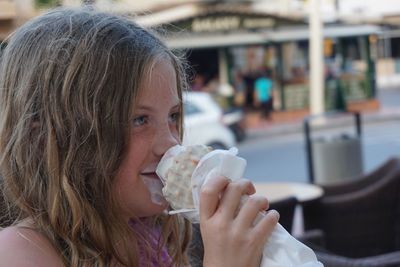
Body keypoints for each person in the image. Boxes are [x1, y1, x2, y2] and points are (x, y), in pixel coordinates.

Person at [0, 7, 279, 267]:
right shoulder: (19, 250)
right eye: (139, 120)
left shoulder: (153, 234)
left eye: (172, 116)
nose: (169, 143)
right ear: (51, 139)